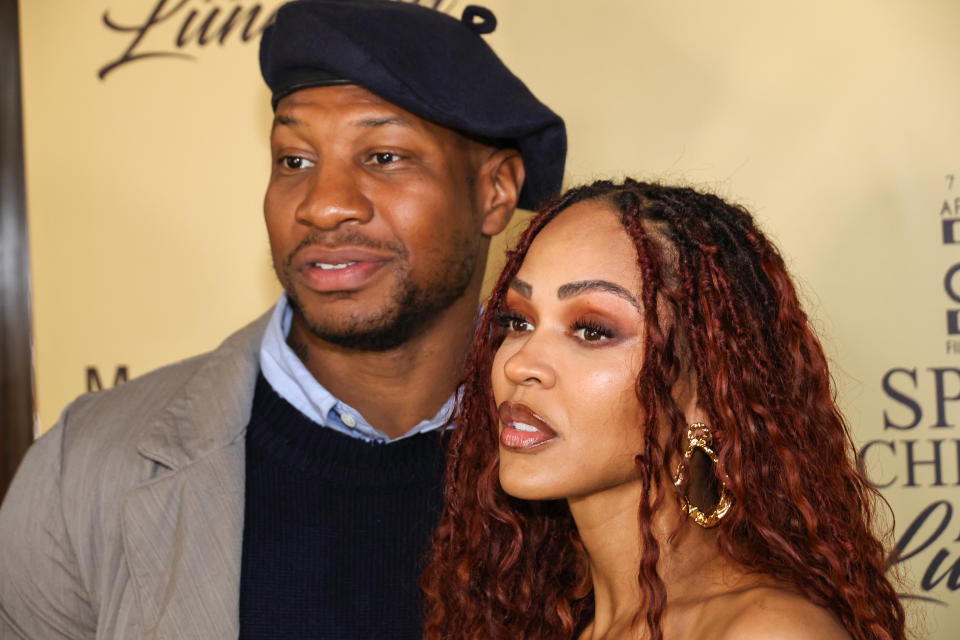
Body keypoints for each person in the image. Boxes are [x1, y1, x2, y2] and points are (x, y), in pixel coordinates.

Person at [0, 1, 565, 638]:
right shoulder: (87, 467)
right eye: (294, 160)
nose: (323, 206)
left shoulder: (595, 460)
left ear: (495, 192)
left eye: (383, 156)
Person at [422, 179, 906, 640]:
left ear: (709, 392)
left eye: (592, 330)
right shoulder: (536, 620)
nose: (520, 364)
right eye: (518, 321)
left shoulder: (765, 630)